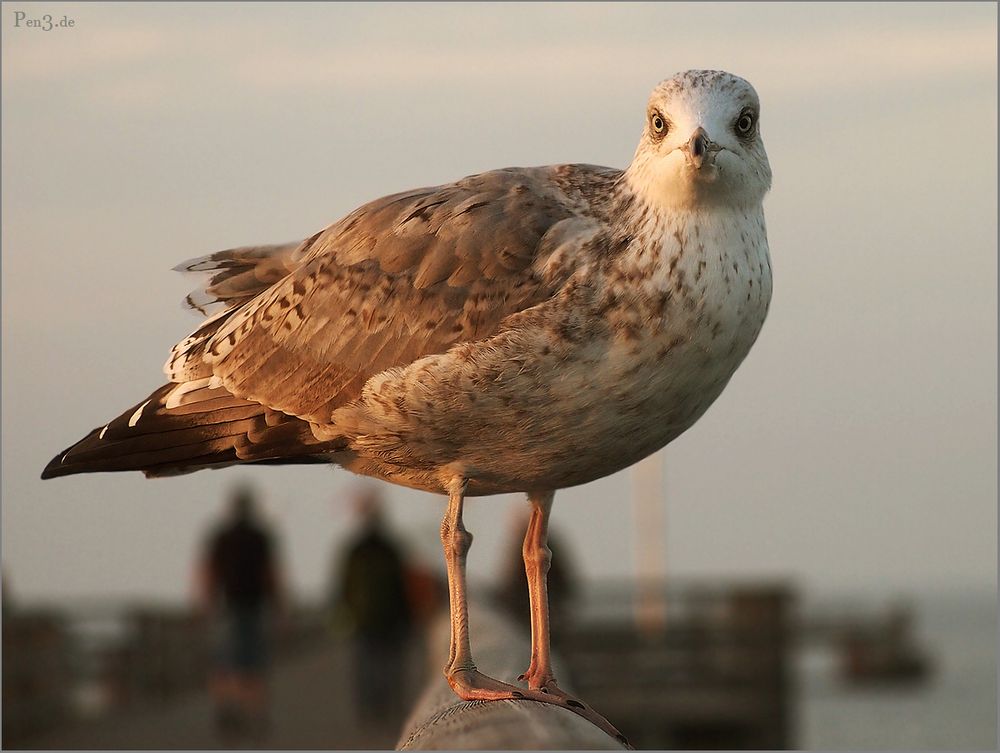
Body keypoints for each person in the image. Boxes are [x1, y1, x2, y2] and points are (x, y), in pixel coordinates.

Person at [197, 485, 285, 739]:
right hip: (254, 605)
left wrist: (207, 603)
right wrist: (279, 606)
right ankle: (255, 713)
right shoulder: (260, 536)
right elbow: (271, 574)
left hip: (230, 605)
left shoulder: (222, 536)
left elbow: (210, 572)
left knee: (226, 660)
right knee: (253, 662)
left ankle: (227, 710)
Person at [330, 486, 414, 727]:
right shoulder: (391, 548)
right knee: (390, 666)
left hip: (363, 619)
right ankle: (389, 705)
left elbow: (344, 586)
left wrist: (344, 612)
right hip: (391, 618)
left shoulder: (355, 550)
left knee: (365, 667)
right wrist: (408, 615)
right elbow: (402, 585)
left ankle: (370, 710)